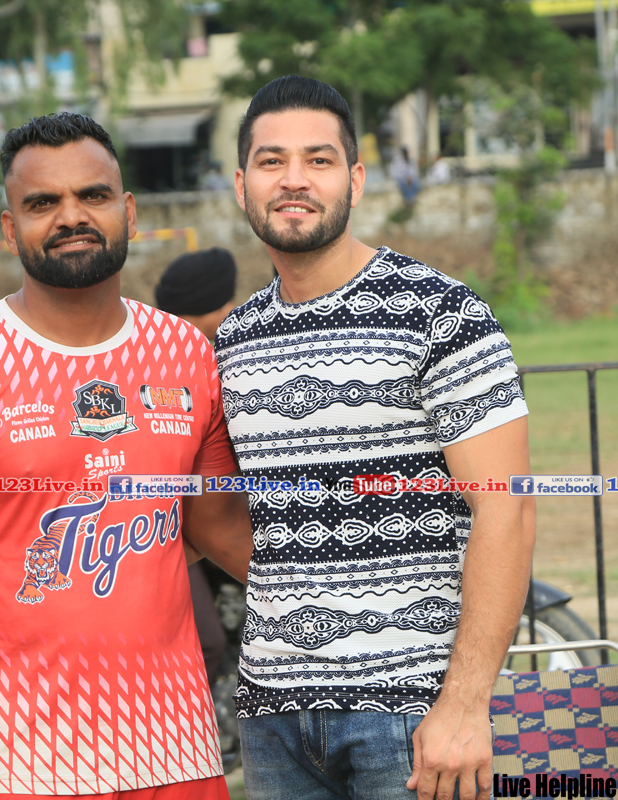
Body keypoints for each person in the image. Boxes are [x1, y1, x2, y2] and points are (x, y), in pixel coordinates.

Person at [0, 112, 252, 800]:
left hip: (176, 748)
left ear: (128, 211)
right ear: (9, 227)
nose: (71, 216)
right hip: (16, 760)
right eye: (42, 202)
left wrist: (355, 600)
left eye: (93, 195)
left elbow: (219, 529)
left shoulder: (189, 356)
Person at [215, 75, 536, 800]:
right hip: (272, 717)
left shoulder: (441, 313)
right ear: (241, 185)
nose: (293, 180)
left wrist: (464, 704)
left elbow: (507, 508)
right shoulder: (234, 340)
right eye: (271, 161)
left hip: (411, 714)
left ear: (355, 180)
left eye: (318, 159)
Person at [153, 247, 239, 688]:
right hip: (159, 533)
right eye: (224, 305)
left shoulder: (212, 357)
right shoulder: (176, 365)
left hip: (208, 522)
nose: (231, 313)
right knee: (204, 642)